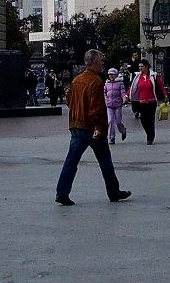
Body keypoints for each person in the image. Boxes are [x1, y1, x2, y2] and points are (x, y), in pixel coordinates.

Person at [55, 49, 129, 206]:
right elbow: (96, 109)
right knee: (105, 161)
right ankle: (113, 192)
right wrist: (98, 127)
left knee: (71, 161)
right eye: (101, 60)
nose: (103, 63)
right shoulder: (96, 81)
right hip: (92, 128)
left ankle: (62, 193)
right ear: (95, 62)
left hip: (76, 125)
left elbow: (70, 102)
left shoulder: (77, 80)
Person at [127, 60, 166, 144]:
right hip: (141, 102)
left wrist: (165, 95)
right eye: (139, 67)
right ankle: (148, 132)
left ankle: (150, 137)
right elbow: (132, 87)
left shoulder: (153, 75)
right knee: (143, 119)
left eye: (142, 66)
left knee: (150, 119)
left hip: (152, 101)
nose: (140, 68)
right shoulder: (137, 76)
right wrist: (127, 95)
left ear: (147, 66)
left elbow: (161, 86)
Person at [102, 67, 128, 143]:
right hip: (109, 105)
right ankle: (111, 137)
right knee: (110, 121)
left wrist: (124, 99)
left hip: (117, 105)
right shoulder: (106, 83)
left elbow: (123, 92)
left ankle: (123, 131)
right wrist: (105, 100)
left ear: (116, 75)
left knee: (118, 122)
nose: (111, 76)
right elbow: (104, 93)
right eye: (109, 75)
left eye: (112, 75)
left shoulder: (120, 83)